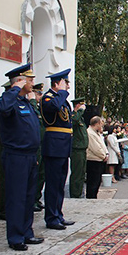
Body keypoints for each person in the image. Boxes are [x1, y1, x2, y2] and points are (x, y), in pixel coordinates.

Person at [0, 63, 44, 250]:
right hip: (16, 156)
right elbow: (3, 109)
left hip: (30, 156)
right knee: (16, 198)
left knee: (28, 197)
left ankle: (27, 232)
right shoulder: (8, 101)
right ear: (19, 81)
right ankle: (16, 237)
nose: (32, 82)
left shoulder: (26, 102)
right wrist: (13, 89)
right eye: (29, 79)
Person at [40, 68, 75, 230]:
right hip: (54, 145)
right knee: (53, 184)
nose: (67, 86)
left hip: (63, 145)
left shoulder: (61, 99)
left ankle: (58, 214)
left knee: (60, 183)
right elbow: (54, 107)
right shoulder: (48, 98)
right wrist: (61, 92)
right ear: (57, 83)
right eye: (65, 82)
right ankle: (51, 217)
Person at [0, 80, 12, 220]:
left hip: (12, 147)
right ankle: (4, 210)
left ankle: (10, 207)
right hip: (3, 146)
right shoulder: (2, 103)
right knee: (4, 179)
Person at [29, 83, 46, 212]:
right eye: (38, 93)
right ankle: (32, 200)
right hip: (35, 146)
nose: (40, 96)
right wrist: (33, 102)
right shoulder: (31, 106)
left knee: (41, 174)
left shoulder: (40, 108)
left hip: (42, 145)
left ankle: (37, 198)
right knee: (34, 175)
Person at [86, 116, 109, 198]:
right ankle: (91, 197)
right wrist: (103, 156)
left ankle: (94, 196)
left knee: (97, 181)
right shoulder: (90, 133)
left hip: (99, 160)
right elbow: (95, 148)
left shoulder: (96, 133)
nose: (102, 126)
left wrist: (106, 153)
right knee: (93, 182)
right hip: (93, 160)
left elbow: (102, 145)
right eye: (101, 124)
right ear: (97, 123)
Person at [69, 97, 87, 197]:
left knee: (81, 174)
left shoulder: (80, 118)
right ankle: (75, 194)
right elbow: (73, 121)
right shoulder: (74, 116)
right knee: (76, 174)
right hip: (76, 149)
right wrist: (79, 111)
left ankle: (79, 193)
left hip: (82, 149)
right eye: (81, 105)